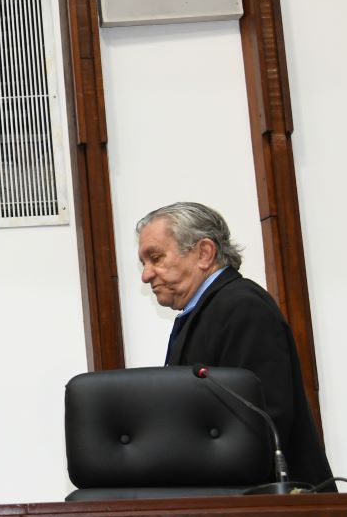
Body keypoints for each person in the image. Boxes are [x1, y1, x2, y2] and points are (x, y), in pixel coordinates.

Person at [136, 202, 335, 490]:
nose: (146, 275)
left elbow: (265, 421)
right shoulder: (207, 310)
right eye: (144, 263)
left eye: (156, 258)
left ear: (204, 253)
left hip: (271, 505)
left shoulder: (242, 306)